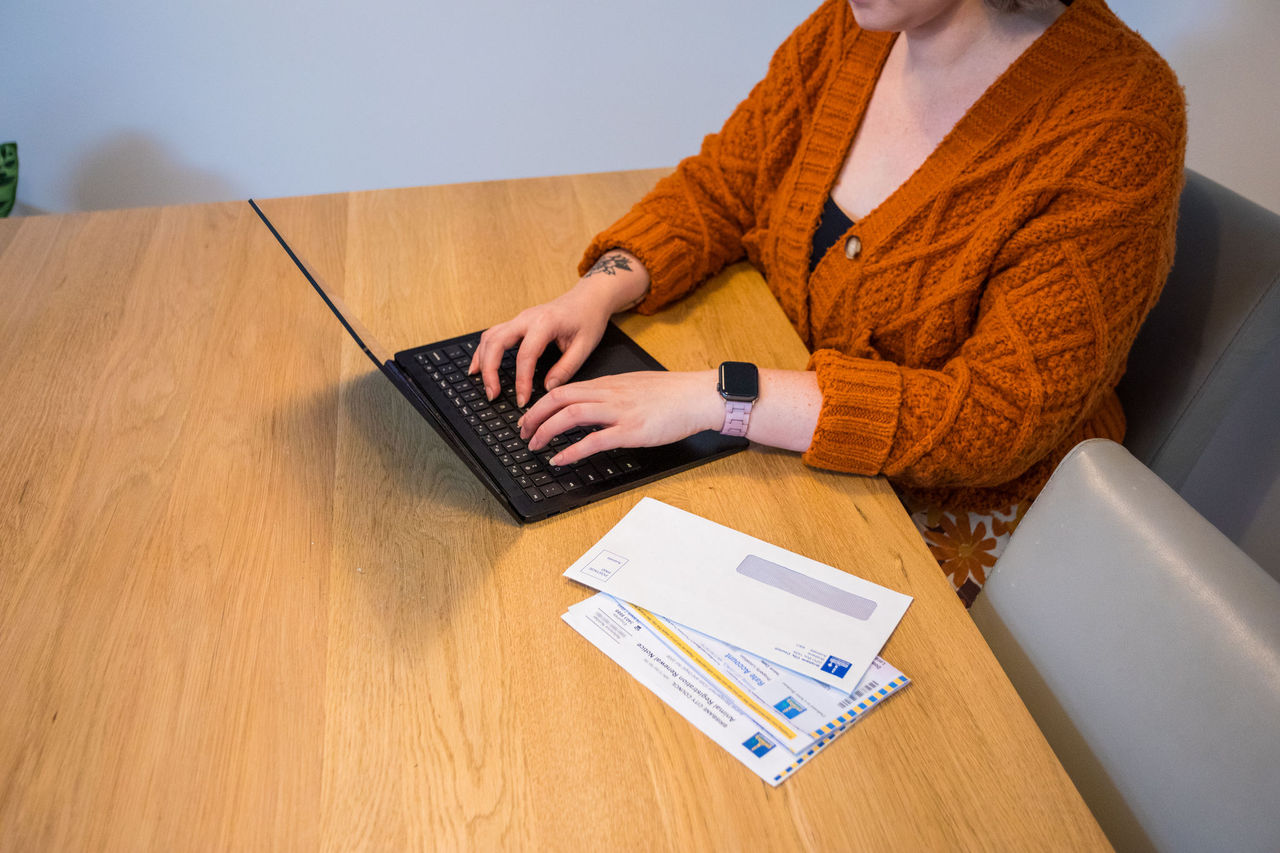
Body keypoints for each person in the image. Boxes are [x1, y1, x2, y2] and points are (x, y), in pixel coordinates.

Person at [468, 0, 1186, 604]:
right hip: (794, 454)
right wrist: (600, 288)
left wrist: (723, 396)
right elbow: (725, 186)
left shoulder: (1120, 116)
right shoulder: (855, 25)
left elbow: (995, 420)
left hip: (958, 519)